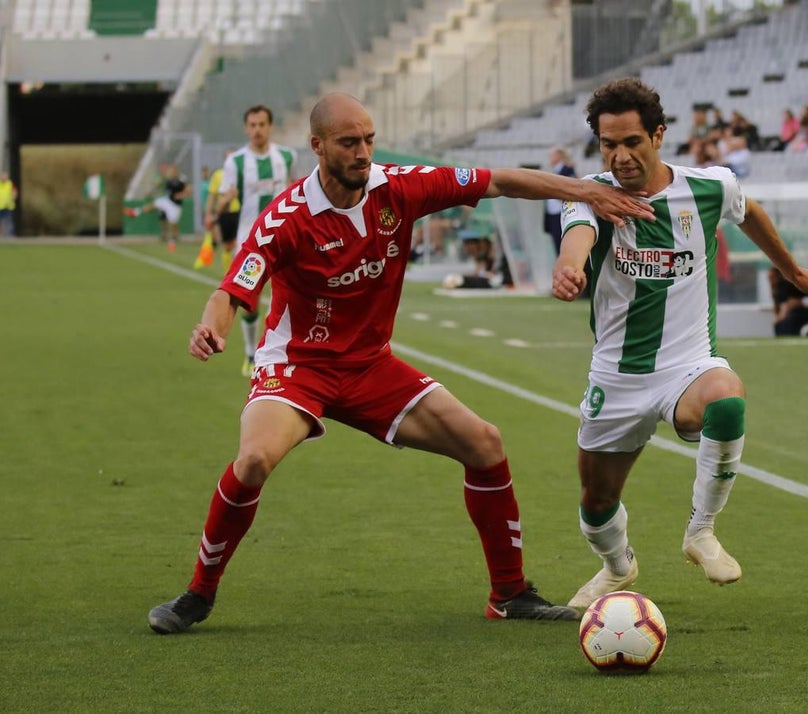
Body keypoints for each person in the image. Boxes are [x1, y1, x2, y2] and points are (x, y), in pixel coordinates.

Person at [145, 92, 655, 635]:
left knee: (484, 443)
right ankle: (197, 594)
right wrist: (211, 327)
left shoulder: (400, 186)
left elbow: (498, 180)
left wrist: (584, 190)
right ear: (317, 147)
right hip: (298, 368)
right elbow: (234, 288)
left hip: (370, 367)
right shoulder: (287, 218)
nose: (363, 152)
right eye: (348, 142)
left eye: (368, 138)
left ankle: (508, 593)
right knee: (252, 462)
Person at [549, 78, 808, 609]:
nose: (620, 156)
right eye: (608, 144)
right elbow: (578, 235)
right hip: (617, 375)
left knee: (727, 397)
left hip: (689, 365)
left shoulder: (708, 188)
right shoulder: (591, 191)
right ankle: (617, 567)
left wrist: (793, 271)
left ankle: (700, 531)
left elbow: (748, 211)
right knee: (596, 501)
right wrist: (570, 268)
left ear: (658, 135)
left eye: (631, 141)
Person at [216, 105, 299, 377]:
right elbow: (224, 197)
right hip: (250, 244)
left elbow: (297, 189)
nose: (257, 130)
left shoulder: (287, 157)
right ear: (245, 128)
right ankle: (251, 352)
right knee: (248, 300)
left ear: (270, 126)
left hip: (286, 241)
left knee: (293, 296)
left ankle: (291, 352)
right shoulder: (236, 162)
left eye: (262, 124)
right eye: (252, 125)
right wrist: (221, 204)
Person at [124, 163, 190, 252]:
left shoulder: (181, 180)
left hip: (175, 205)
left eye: (173, 170)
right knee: (154, 205)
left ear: (176, 171)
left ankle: (172, 242)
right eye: (170, 170)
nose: (171, 172)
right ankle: (135, 212)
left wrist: (180, 195)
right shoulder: (168, 180)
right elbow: (161, 185)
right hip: (167, 201)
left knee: (173, 224)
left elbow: (188, 191)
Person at [204, 155, 242, 265]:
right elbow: (212, 195)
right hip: (225, 213)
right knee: (227, 245)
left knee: (239, 243)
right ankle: (228, 273)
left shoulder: (243, 173)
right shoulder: (218, 174)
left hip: (240, 211)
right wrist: (208, 213)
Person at [543, 145, 576, 256]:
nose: (550, 158)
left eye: (552, 155)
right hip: (552, 214)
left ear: (559, 156)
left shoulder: (567, 170)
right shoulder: (553, 171)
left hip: (562, 213)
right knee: (556, 243)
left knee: (564, 243)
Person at [0, 171, 17, 237]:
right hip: (0, 206)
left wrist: (12, 198)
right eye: (2, 176)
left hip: (8, 206)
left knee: (9, 221)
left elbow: (14, 192)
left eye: (5, 176)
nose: (3, 177)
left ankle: (10, 234)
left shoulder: (10, 184)